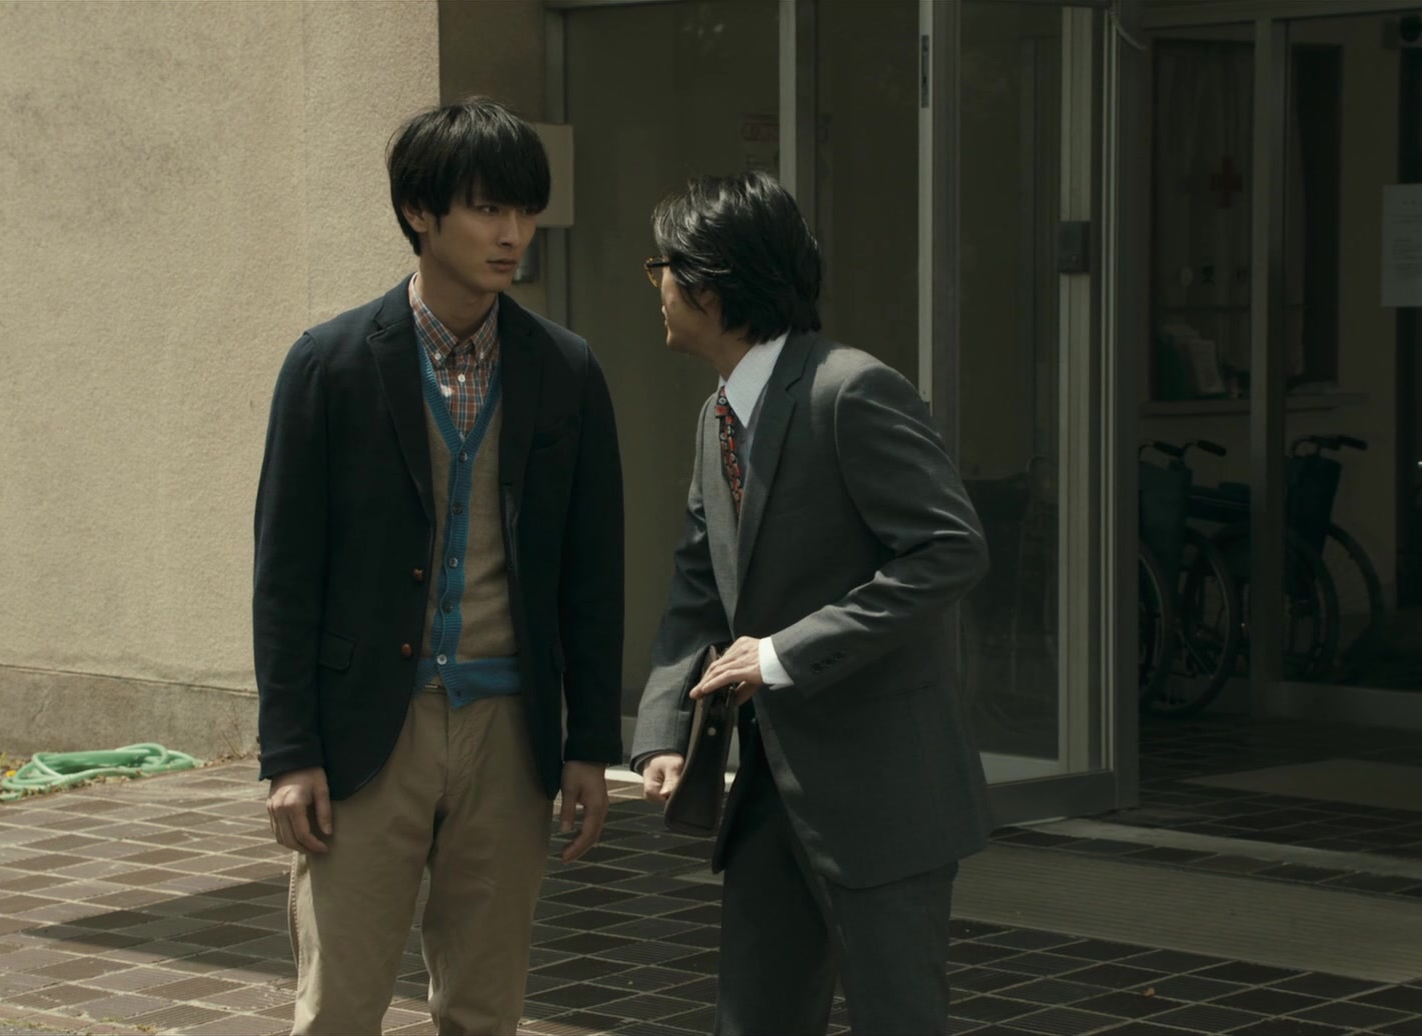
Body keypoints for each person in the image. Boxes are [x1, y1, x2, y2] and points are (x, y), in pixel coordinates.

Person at [253, 97, 625, 1036]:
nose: (513, 235)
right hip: (368, 732)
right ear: (420, 211)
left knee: (484, 1009)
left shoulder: (566, 371)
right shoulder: (330, 365)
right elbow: (285, 575)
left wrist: (588, 744)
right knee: (338, 1009)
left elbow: (591, 575)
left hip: (509, 733)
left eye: (526, 211)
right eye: (488, 210)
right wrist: (290, 752)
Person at [629, 171, 991, 1035]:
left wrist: (782, 654)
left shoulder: (850, 391)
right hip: (768, 798)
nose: (658, 287)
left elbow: (950, 549)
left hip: (884, 796)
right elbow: (698, 587)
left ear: (710, 287)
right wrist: (663, 731)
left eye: (662, 268)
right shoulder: (718, 414)